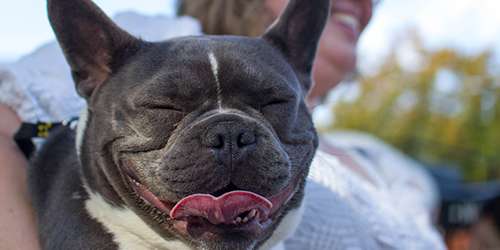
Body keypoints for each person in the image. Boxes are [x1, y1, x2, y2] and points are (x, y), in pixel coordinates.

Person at [0, 0, 445, 249]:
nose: (229, 139)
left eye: (272, 102)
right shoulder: (157, 34)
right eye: (167, 108)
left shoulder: (376, 154)